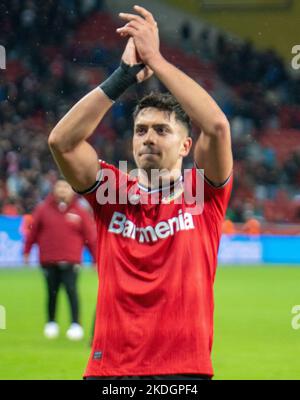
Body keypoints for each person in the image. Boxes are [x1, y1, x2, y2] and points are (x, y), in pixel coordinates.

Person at [48, 5, 233, 379]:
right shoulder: (112, 191)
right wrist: (123, 76)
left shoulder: (203, 193)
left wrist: (156, 60)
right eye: (141, 130)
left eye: (162, 131)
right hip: (109, 372)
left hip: (183, 374)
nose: (148, 137)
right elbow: (61, 143)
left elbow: (215, 126)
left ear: (185, 146)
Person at [23, 180, 97, 341]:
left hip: (71, 261)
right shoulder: (42, 209)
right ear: (54, 190)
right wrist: (27, 251)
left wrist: (95, 259)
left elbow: (90, 237)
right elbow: (32, 232)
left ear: (72, 190)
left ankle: (75, 324)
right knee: (51, 292)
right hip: (49, 260)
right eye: (59, 187)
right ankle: (51, 323)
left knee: (72, 292)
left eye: (66, 187)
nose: (62, 190)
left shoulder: (80, 211)